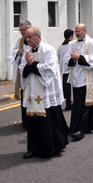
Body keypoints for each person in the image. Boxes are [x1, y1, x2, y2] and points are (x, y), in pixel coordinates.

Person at [19, 27, 69, 159]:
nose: (27, 40)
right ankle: (33, 148)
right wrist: (28, 65)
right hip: (33, 91)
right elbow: (22, 68)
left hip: (46, 90)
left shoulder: (49, 49)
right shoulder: (27, 52)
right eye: (26, 38)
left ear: (38, 37)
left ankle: (52, 147)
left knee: (49, 119)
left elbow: (50, 68)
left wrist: (32, 64)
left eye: (30, 37)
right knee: (33, 121)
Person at [64, 24, 93, 141]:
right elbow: (65, 59)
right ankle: (79, 126)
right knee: (78, 105)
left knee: (86, 105)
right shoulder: (72, 44)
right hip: (76, 79)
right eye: (76, 31)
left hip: (88, 78)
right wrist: (72, 58)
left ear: (85, 31)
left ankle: (80, 128)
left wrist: (79, 57)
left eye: (79, 31)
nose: (77, 33)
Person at [12, 20, 32, 127]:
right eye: (20, 30)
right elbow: (13, 54)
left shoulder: (37, 39)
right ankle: (25, 121)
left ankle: (32, 120)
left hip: (32, 74)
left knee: (31, 97)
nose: (22, 32)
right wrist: (17, 52)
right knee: (24, 96)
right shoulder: (20, 41)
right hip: (23, 73)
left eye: (24, 30)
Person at [57, 29, 74, 111]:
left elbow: (58, 58)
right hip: (70, 69)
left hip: (63, 70)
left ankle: (68, 103)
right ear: (70, 36)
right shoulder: (71, 45)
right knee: (73, 87)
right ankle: (69, 104)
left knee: (66, 88)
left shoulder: (60, 47)